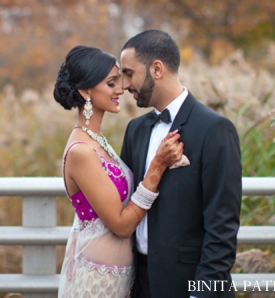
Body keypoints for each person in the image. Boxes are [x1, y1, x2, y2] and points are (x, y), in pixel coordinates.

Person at [53, 45, 186, 298]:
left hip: (121, 278)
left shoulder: (97, 140)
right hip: (98, 282)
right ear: (85, 91)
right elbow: (122, 225)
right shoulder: (81, 150)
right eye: (111, 83)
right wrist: (157, 166)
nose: (121, 89)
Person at [119, 30, 242, 298]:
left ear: (157, 69)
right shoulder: (135, 130)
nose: (124, 84)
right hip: (139, 283)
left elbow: (222, 228)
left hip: (188, 284)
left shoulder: (215, 129)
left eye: (129, 73)